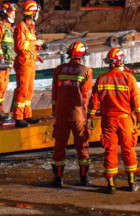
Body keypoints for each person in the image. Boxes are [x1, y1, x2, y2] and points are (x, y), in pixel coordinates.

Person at [91, 46, 140, 193]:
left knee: (110, 151)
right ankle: (132, 183)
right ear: (121, 62)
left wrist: (90, 116)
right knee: (128, 150)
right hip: (125, 120)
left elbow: (94, 100)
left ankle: (111, 185)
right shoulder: (129, 78)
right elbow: (137, 101)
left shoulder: (102, 78)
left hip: (108, 120)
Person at [49, 41, 94, 188]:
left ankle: (58, 178)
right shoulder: (86, 71)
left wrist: (54, 111)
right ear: (82, 56)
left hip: (61, 113)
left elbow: (55, 93)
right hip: (78, 114)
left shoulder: (59, 69)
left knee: (59, 145)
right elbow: (86, 93)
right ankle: (84, 178)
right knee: (82, 145)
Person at [12, 0, 43, 127]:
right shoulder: (22, 27)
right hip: (24, 62)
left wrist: (38, 46)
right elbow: (19, 45)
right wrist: (34, 43)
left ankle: (27, 115)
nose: (38, 15)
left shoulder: (30, 28)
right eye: (37, 12)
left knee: (29, 90)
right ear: (32, 13)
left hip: (30, 61)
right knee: (23, 90)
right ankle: (19, 118)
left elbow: (28, 45)